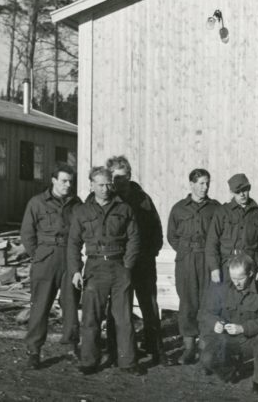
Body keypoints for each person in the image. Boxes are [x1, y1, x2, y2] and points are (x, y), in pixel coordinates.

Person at [68, 167, 141, 375]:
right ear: (91, 184)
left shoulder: (124, 208)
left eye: (108, 184)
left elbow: (134, 238)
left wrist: (127, 266)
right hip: (95, 267)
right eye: (100, 184)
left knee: (124, 317)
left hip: (119, 267)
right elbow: (73, 243)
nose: (105, 189)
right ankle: (89, 361)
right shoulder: (81, 211)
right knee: (91, 317)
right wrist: (75, 270)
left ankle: (127, 362)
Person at [21, 163, 81, 369]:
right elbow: (27, 234)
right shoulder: (37, 203)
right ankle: (34, 351)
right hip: (45, 259)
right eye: (64, 181)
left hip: (70, 258)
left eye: (70, 181)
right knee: (40, 306)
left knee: (71, 304)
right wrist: (37, 255)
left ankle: (72, 348)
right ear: (53, 180)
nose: (68, 185)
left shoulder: (76, 204)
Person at [105, 155, 164, 364]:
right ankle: (116, 349)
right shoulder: (108, 199)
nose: (118, 182)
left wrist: (150, 253)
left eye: (122, 177)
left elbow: (156, 229)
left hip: (143, 262)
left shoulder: (142, 199)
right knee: (120, 307)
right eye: (114, 177)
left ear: (129, 176)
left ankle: (154, 348)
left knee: (149, 305)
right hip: (118, 263)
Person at [199, 255, 258, 394]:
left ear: (250, 273)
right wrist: (215, 323)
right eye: (233, 278)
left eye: (240, 279)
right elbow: (206, 313)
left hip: (248, 340)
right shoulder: (223, 288)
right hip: (226, 341)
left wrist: (243, 328)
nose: (236, 283)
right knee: (207, 360)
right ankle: (233, 369)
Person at [167, 168, 220, 364]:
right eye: (201, 183)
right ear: (191, 184)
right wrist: (184, 251)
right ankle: (189, 348)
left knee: (208, 302)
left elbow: (220, 234)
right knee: (187, 302)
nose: (205, 187)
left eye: (207, 183)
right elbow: (172, 235)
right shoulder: (179, 208)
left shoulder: (215, 208)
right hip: (186, 260)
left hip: (207, 258)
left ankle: (205, 346)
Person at [205, 173, 258, 283]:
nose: (242, 194)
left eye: (245, 190)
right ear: (232, 192)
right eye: (238, 191)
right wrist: (214, 268)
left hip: (249, 266)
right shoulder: (222, 212)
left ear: (249, 189)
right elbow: (212, 241)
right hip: (226, 267)